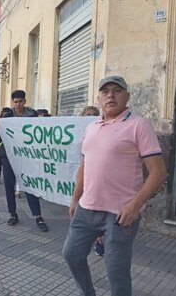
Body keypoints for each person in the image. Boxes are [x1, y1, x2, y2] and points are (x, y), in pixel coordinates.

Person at [63, 76, 167, 295]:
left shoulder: (138, 125)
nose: (111, 95)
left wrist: (135, 205)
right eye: (105, 91)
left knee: (116, 272)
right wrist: (75, 198)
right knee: (71, 255)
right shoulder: (91, 127)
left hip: (120, 215)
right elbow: (85, 164)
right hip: (86, 209)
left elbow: (158, 172)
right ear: (99, 99)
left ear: (127, 96)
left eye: (117, 90)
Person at [0, 90, 49, 232]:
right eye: (15, 102)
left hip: (27, 156)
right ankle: (13, 214)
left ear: (25, 101)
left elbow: (38, 135)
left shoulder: (32, 115)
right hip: (8, 156)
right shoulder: (6, 116)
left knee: (30, 185)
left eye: (20, 101)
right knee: (9, 186)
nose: (18, 104)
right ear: (12, 102)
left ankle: (38, 216)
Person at [80, 105, 104, 256]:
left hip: (98, 179)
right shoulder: (80, 132)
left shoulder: (103, 131)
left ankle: (99, 240)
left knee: (98, 210)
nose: (91, 117)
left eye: (94, 114)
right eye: (88, 114)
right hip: (81, 177)